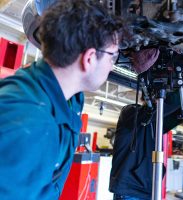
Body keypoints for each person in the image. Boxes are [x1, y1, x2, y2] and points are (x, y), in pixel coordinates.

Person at [0, 0, 124, 199]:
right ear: (89, 58)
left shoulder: (71, 98)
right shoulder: (27, 124)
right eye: (113, 56)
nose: (112, 66)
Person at [109, 52, 183, 199]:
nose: (164, 97)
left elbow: (181, 114)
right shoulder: (130, 113)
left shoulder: (153, 124)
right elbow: (160, 107)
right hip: (130, 192)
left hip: (144, 190)